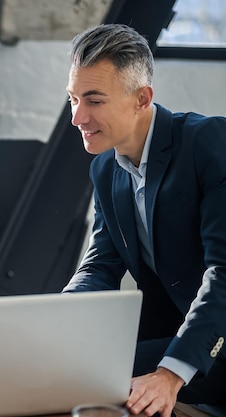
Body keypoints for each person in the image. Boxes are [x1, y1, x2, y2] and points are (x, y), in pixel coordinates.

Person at [63, 24, 226, 417]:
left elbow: (225, 271)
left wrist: (169, 374)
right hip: (167, 329)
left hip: (215, 338)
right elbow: (101, 263)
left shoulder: (209, 142)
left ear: (142, 98)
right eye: (72, 99)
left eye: (94, 100)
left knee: (86, 379)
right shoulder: (105, 168)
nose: (77, 117)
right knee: (52, 368)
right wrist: (61, 320)